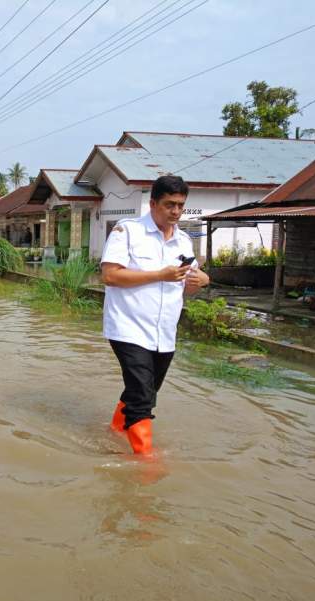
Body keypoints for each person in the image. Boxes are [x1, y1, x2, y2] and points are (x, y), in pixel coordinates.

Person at [100, 175, 210, 455]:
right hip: (128, 328)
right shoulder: (128, 232)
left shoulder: (184, 242)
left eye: (180, 205)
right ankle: (145, 463)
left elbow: (186, 289)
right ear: (152, 203)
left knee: (145, 391)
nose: (175, 211)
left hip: (164, 333)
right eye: (169, 204)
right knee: (142, 397)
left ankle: (114, 431)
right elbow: (110, 276)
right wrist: (159, 274)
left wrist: (200, 282)